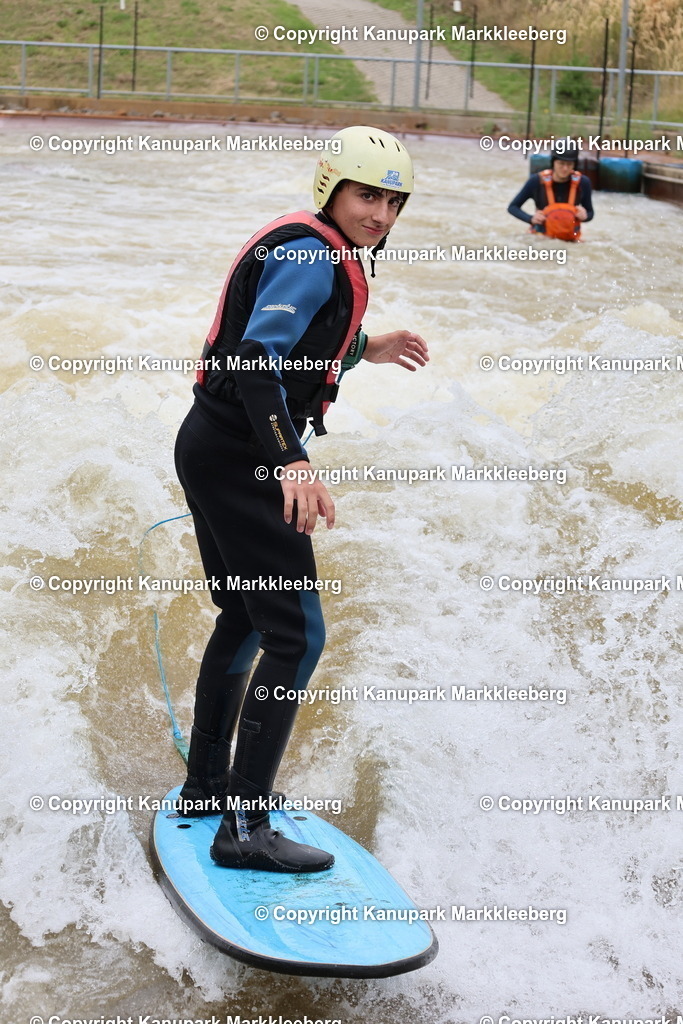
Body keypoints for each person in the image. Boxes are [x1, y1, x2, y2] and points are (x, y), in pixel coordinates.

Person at [173, 126, 429, 874]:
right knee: (296, 636)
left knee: (247, 616)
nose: (379, 214)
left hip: (210, 444)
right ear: (330, 190)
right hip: (245, 456)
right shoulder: (314, 253)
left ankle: (205, 788)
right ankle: (245, 826)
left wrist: (363, 346)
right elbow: (256, 359)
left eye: (391, 200)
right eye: (365, 194)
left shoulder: (309, 248)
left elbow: (281, 341)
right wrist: (289, 459)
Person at [507, 146, 594, 240]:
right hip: (542, 237)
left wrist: (585, 216)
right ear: (553, 163)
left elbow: (590, 213)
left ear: (574, 165)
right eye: (561, 163)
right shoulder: (536, 181)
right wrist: (530, 219)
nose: (565, 168)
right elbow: (513, 207)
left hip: (570, 238)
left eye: (569, 164)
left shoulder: (583, 182)